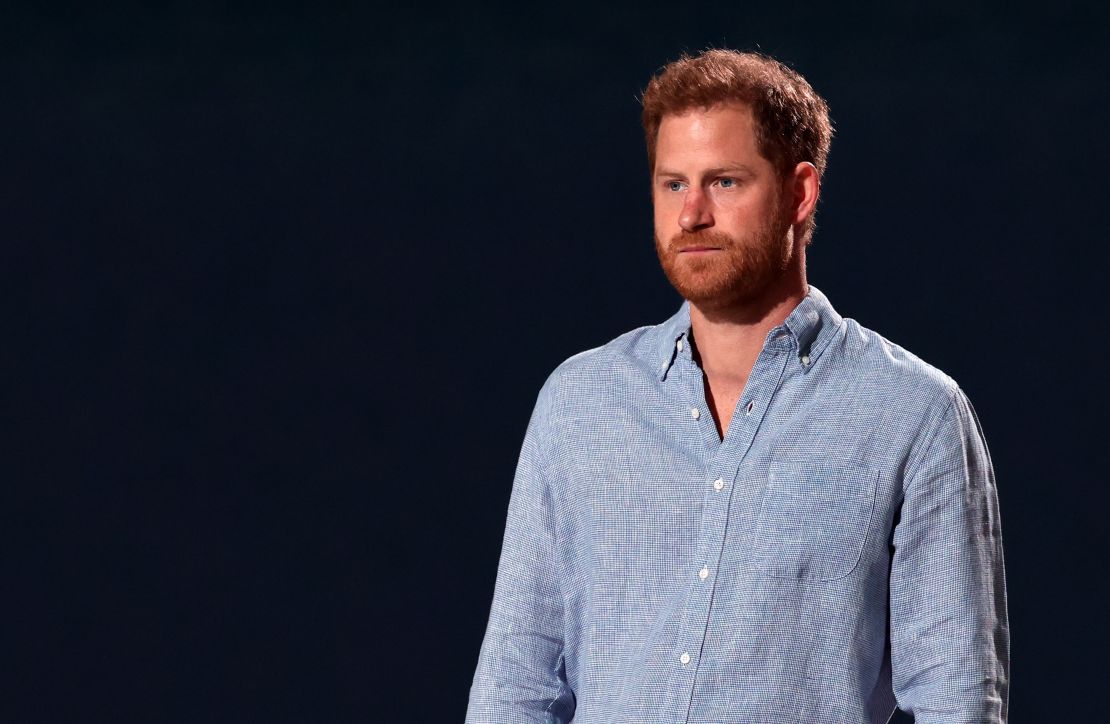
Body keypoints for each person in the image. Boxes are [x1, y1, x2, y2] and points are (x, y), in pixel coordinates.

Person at [465, 49, 1009, 724]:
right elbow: (517, 679)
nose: (691, 214)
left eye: (723, 182)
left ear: (799, 192)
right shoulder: (581, 402)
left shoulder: (913, 415)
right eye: (672, 185)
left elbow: (956, 698)